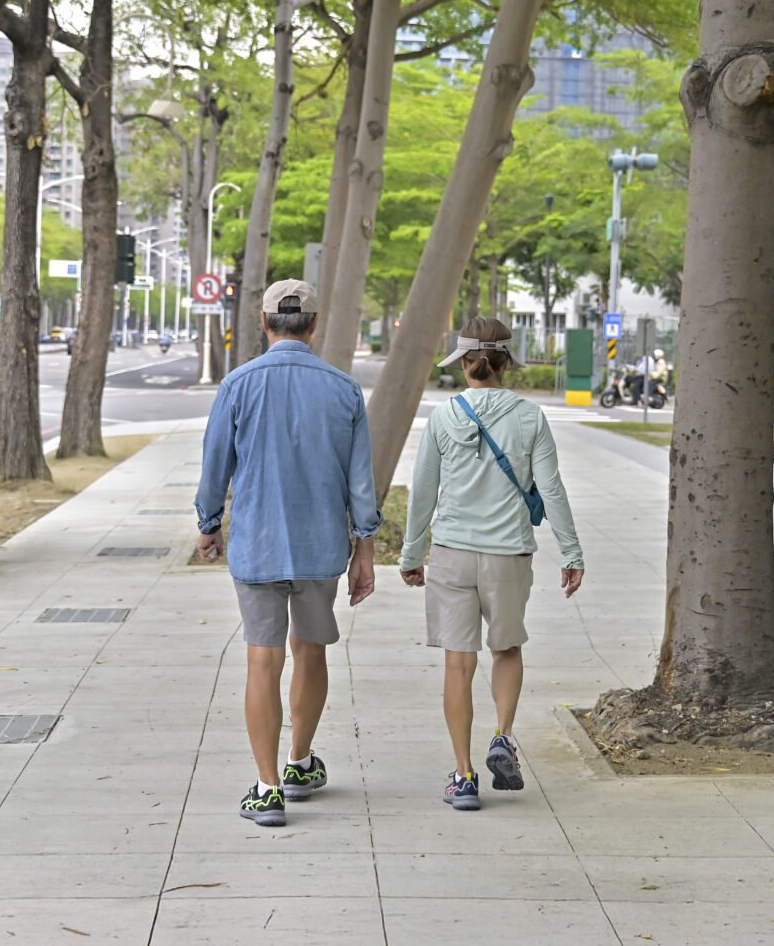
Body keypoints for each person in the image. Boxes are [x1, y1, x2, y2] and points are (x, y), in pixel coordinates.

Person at [195, 279, 381, 829]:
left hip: (257, 544)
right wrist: (363, 550)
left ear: (264, 320)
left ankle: (267, 786)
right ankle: (300, 762)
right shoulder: (344, 390)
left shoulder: (237, 384)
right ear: (315, 324)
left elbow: (215, 467)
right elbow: (361, 483)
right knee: (312, 652)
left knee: (262, 658)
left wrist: (209, 525)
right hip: (321, 545)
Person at [399, 317, 584, 812]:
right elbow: (552, 490)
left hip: (453, 553)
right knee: (506, 648)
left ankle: (463, 777)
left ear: (465, 363)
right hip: (510, 555)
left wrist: (412, 554)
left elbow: (423, 493)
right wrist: (571, 552)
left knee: (459, 664)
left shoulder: (443, 417)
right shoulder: (530, 416)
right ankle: (503, 735)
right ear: (507, 363)